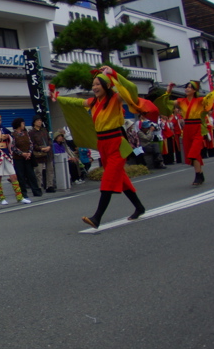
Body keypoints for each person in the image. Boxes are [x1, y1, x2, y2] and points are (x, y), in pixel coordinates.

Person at [52, 67, 148, 228]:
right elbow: (75, 102)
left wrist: (114, 74)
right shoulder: (94, 102)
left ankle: (97, 217)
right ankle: (139, 207)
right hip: (102, 145)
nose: (94, 87)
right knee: (122, 180)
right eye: (93, 84)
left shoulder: (116, 98)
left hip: (116, 144)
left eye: (98, 84)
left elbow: (131, 89)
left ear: (107, 86)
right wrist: (59, 98)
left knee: (108, 180)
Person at [155, 77, 214, 186]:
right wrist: (168, 90)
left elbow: (211, 96)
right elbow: (166, 102)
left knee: (193, 153)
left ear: (194, 90)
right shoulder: (181, 101)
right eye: (187, 87)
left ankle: (198, 175)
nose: (187, 89)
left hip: (197, 128)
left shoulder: (200, 101)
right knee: (192, 154)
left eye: (190, 87)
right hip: (187, 129)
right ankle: (199, 174)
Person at [10, 117, 36, 203]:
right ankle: (23, 193)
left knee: (31, 174)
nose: (24, 125)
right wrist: (22, 153)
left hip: (28, 157)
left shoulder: (26, 133)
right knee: (20, 176)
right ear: (18, 124)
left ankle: (36, 190)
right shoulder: (13, 135)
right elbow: (12, 147)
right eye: (22, 123)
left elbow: (31, 143)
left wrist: (29, 153)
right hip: (18, 158)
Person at [29, 115, 55, 193]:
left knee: (50, 170)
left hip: (48, 153)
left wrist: (49, 146)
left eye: (40, 120)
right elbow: (32, 144)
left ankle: (49, 186)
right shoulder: (31, 132)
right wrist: (41, 148)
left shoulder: (44, 130)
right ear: (34, 122)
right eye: (38, 120)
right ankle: (39, 187)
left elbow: (49, 139)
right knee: (38, 171)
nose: (40, 122)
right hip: (39, 154)